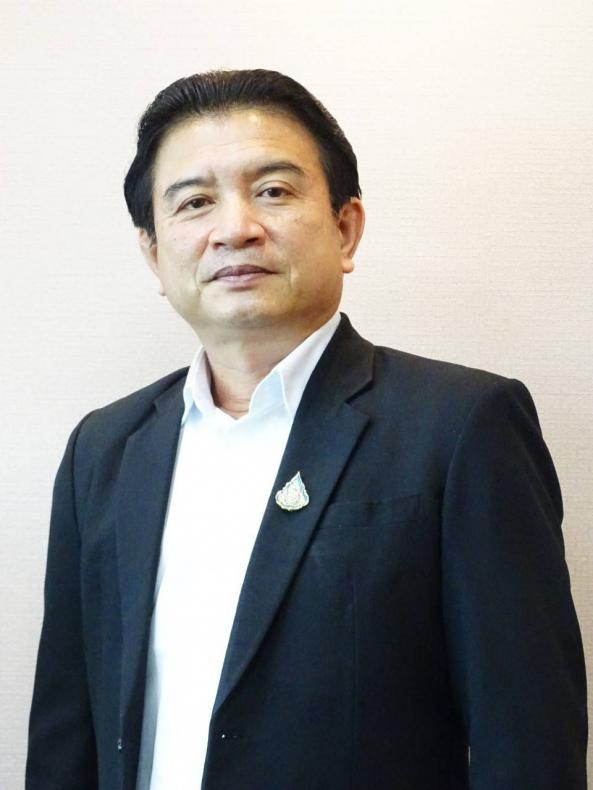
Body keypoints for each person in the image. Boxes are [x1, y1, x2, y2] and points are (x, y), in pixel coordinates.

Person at [26, 69, 587, 790]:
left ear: (345, 228)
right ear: (154, 253)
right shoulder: (104, 450)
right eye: (195, 202)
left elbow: (529, 743)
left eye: (273, 191)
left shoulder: (459, 428)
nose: (235, 228)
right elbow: (66, 730)